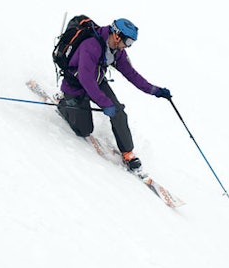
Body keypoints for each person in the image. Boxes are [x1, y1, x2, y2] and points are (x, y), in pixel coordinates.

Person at [56, 18, 171, 171]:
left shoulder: (117, 51)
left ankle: (128, 153)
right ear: (117, 36)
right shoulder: (90, 46)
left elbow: (131, 74)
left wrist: (155, 90)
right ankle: (64, 104)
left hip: (97, 81)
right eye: (128, 41)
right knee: (83, 130)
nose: (128, 46)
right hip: (76, 84)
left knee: (119, 112)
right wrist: (104, 103)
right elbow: (86, 80)